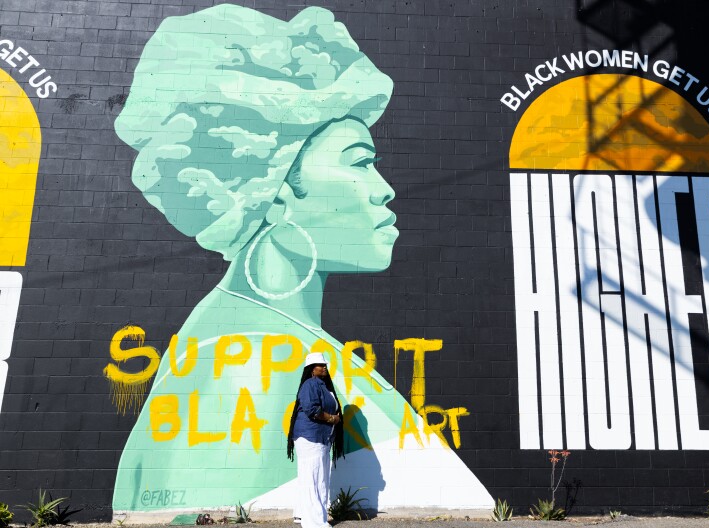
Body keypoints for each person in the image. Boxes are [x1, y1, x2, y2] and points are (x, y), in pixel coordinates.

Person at [111, 3, 492, 516]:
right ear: (274, 191)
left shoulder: (278, 341)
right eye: (360, 162)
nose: (386, 190)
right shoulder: (242, 362)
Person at [287, 353, 343, 528]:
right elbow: (312, 409)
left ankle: (302, 515)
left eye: (325, 364)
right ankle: (315, 522)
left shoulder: (322, 385)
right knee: (316, 478)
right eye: (320, 364)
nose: (324, 367)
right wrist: (333, 419)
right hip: (311, 437)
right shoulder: (310, 384)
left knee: (309, 476)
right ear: (312, 369)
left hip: (318, 437)